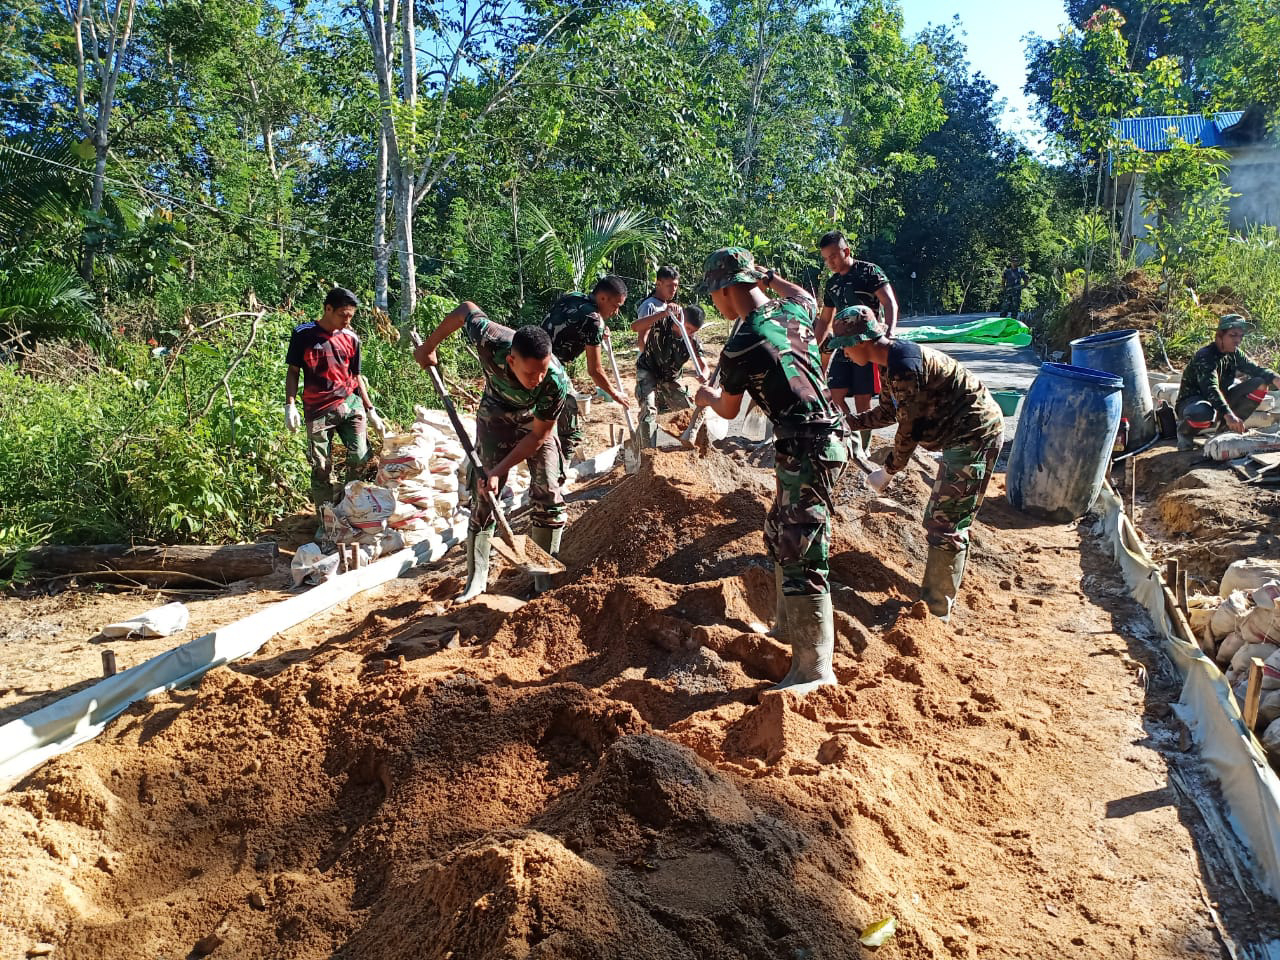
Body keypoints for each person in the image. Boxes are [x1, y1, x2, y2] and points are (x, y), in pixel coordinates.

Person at [694, 247, 849, 697]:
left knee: (801, 548)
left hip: (808, 444)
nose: (715, 304)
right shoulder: (792, 310)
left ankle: (814, 668)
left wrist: (705, 396)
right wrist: (769, 277)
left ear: (725, 290)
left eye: (714, 294)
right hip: (818, 438)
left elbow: (727, 407)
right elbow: (802, 291)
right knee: (778, 530)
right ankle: (787, 629)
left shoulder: (741, 343)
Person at [829, 305, 1004, 622]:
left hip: (974, 434)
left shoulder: (905, 366)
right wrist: (851, 423)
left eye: (844, 348)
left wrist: (888, 471)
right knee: (942, 518)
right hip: (958, 434)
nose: (843, 355)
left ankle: (937, 612)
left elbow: (909, 429)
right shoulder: (889, 362)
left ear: (861, 342)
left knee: (945, 522)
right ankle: (936, 600)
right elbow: (888, 411)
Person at [413, 302, 572, 599]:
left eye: (542, 371)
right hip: (495, 415)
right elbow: (465, 310)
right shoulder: (491, 338)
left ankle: (543, 581)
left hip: (533, 422)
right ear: (511, 360)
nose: (537, 379)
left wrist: (500, 470)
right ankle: (476, 578)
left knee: (549, 491)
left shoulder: (554, 382)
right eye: (530, 373)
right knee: (484, 494)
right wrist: (428, 347)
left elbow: (539, 435)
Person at [285, 286, 386, 534]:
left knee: (360, 457)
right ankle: (327, 521)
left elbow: (357, 376)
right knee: (321, 466)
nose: (347, 320)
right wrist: (290, 404)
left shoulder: (351, 338)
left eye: (351, 315)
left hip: (351, 405)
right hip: (318, 409)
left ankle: (352, 508)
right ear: (328, 309)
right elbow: (293, 372)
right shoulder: (304, 334)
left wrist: (371, 409)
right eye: (343, 314)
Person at [814, 231, 898, 458]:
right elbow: (824, 320)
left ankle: (864, 449)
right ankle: (849, 435)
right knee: (834, 394)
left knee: (863, 398)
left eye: (833, 256)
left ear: (846, 251)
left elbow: (889, 303)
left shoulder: (869, 272)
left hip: (867, 345)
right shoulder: (832, 284)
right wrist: (812, 345)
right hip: (843, 345)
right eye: (825, 259)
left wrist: (888, 332)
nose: (829, 262)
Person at [541, 276, 632, 466]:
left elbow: (573, 322)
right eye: (616, 306)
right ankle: (561, 471)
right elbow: (595, 371)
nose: (616, 312)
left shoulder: (573, 296)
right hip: (550, 365)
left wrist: (599, 328)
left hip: (533, 351)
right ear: (603, 298)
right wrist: (615, 394)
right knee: (570, 426)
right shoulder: (594, 321)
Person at [1176, 314, 1280, 451]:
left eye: (1240, 336)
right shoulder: (1205, 356)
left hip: (1221, 402)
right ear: (1219, 336)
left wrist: (1275, 378)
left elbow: (1256, 369)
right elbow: (1210, 388)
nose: (1238, 340)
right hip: (1194, 402)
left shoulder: (1235, 354)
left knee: (1260, 383)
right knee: (1202, 412)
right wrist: (1229, 414)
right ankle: (1185, 435)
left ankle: (1225, 431)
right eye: (1233, 335)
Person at [632, 298, 706, 448]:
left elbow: (703, 365)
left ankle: (697, 448)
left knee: (689, 413)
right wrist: (663, 313)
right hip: (648, 370)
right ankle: (648, 454)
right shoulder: (662, 322)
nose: (689, 332)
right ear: (681, 317)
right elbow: (635, 326)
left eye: (694, 331)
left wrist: (704, 374)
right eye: (688, 328)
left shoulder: (692, 340)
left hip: (670, 378)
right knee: (648, 410)